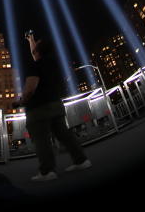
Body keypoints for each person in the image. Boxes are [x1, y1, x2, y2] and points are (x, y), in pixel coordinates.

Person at [11, 32, 91, 181]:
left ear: (38, 51)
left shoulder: (35, 66)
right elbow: (36, 53)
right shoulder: (53, 64)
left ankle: (47, 172)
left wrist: (20, 102)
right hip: (56, 105)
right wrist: (31, 40)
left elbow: (30, 89)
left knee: (41, 140)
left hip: (38, 109)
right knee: (64, 135)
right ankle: (81, 160)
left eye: (36, 45)